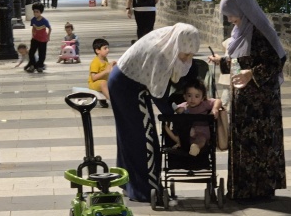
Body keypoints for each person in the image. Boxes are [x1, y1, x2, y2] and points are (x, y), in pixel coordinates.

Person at [208, 0, 287, 201]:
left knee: (260, 145)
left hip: (261, 104)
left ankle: (259, 190)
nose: (230, 19)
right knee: (242, 142)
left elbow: (275, 61)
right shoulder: (240, 32)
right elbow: (240, 62)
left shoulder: (261, 32)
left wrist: (252, 74)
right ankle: (242, 188)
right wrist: (222, 62)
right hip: (244, 100)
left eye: (232, 14)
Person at [108, 23, 200, 202]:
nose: (187, 58)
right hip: (128, 87)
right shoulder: (160, 53)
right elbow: (158, 94)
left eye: (191, 54)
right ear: (178, 45)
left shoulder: (169, 40)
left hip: (122, 81)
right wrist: (173, 115)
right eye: (185, 53)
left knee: (130, 136)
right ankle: (145, 189)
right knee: (144, 138)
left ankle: (130, 184)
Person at [164, 79, 222, 156]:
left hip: (202, 133)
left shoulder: (204, 104)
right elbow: (175, 110)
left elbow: (218, 101)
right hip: (186, 134)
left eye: (197, 96)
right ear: (184, 96)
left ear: (202, 98)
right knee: (179, 130)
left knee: (201, 139)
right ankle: (180, 143)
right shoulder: (184, 106)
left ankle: (196, 147)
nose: (192, 99)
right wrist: (177, 110)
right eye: (189, 96)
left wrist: (215, 108)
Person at [24, 2, 51, 73]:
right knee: (31, 52)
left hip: (42, 40)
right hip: (35, 39)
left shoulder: (44, 21)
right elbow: (33, 27)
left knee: (42, 53)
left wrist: (48, 36)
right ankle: (32, 64)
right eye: (34, 11)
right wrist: (33, 33)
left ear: (40, 12)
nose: (35, 13)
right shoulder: (33, 20)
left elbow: (49, 28)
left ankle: (40, 65)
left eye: (37, 12)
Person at [88, 38, 116, 107]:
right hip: (94, 83)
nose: (108, 50)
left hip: (103, 82)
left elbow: (107, 69)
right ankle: (113, 101)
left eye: (108, 48)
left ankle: (103, 100)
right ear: (98, 50)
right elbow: (93, 77)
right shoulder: (95, 62)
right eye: (105, 48)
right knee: (103, 83)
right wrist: (105, 71)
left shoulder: (105, 59)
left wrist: (112, 65)